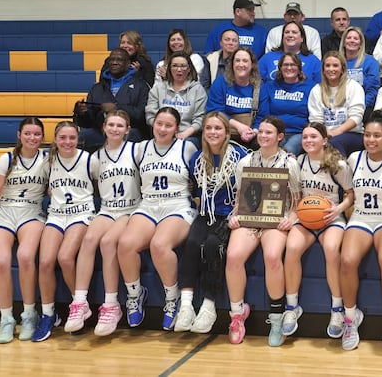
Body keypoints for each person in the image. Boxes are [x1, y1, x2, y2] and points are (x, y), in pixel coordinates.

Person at [117, 107, 198, 331]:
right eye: (159, 124)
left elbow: (200, 176)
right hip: (149, 205)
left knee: (159, 245)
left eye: (168, 125)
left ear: (177, 128)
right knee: (125, 244)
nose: (162, 129)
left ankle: (172, 299)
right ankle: (135, 295)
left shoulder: (187, 147)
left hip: (177, 205)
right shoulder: (140, 148)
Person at [225, 116, 301, 347]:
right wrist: (234, 216)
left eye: (269, 132)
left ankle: (277, 318)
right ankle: (237, 314)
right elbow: (240, 199)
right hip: (250, 218)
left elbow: (297, 201)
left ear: (280, 137)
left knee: (272, 256)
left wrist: (292, 219)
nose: (263, 136)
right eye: (261, 132)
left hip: (277, 218)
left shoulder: (290, 163)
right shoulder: (245, 161)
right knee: (233, 256)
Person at [63, 111, 141, 336]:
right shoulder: (95, 158)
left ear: (127, 130)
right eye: (111, 125)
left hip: (130, 209)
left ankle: (111, 305)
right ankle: (80, 302)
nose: (115, 129)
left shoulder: (136, 151)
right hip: (107, 209)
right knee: (88, 240)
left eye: (120, 125)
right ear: (104, 128)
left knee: (107, 242)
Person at [340, 109, 382, 351]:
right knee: (347, 261)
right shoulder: (354, 159)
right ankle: (350, 318)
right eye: (367, 135)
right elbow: (348, 191)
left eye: (377, 136)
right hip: (360, 217)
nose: (371, 140)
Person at [174, 112, 247, 333]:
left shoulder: (240, 155)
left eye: (218, 128)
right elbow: (196, 189)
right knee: (191, 244)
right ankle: (186, 306)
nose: (213, 132)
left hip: (230, 215)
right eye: (208, 128)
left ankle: (209, 306)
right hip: (206, 212)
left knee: (214, 246)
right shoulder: (197, 158)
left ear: (227, 132)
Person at [282, 123, 354, 340]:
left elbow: (351, 194)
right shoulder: (298, 162)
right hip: (305, 218)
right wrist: (293, 214)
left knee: (332, 250)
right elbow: (293, 193)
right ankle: (292, 307)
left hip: (331, 218)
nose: (308, 141)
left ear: (324, 140)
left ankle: (337, 309)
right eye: (305, 137)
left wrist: (338, 209)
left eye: (313, 136)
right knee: (291, 248)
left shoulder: (338, 165)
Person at [0, 117, 48, 343]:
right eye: (27, 133)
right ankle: (6, 319)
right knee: (1, 261)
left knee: (26, 256)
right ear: (19, 135)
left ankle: (29, 315)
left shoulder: (47, 160)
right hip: (5, 212)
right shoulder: (7, 159)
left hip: (31, 212)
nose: (32, 138)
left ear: (42, 137)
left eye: (36, 134)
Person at [33, 121, 96, 342]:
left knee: (65, 257)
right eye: (62, 138)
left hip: (81, 214)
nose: (67, 142)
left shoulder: (89, 159)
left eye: (72, 138)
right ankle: (48, 314)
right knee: (45, 262)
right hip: (56, 215)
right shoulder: (48, 161)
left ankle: (78, 307)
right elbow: (41, 186)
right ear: (55, 139)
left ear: (78, 139)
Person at [75, 48, 149, 151]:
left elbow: (141, 116)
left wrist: (117, 107)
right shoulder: (97, 88)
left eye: (119, 60)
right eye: (112, 59)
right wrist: (82, 113)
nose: (114, 62)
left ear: (128, 63)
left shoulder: (141, 86)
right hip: (101, 132)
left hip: (129, 132)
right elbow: (88, 122)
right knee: (84, 135)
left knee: (134, 134)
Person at [307, 51, 366, 157]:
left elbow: (356, 117)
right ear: (323, 69)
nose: (331, 69)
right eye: (327, 66)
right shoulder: (316, 90)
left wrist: (335, 132)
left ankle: (340, 167)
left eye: (335, 65)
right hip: (325, 134)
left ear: (342, 69)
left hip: (353, 134)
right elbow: (316, 120)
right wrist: (326, 132)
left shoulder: (353, 86)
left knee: (334, 143)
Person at [257, 53, 317, 155]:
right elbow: (264, 113)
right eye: (285, 65)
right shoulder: (269, 86)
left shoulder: (311, 87)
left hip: (299, 132)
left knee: (288, 150)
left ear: (299, 68)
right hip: (275, 132)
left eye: (293, 65)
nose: (289, 68)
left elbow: (313, 115)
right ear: (280, 68)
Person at [206, 48, 265, 149]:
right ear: (232, 64)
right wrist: (239, 127)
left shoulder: (260, 87)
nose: (241, 64)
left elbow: (262, 116)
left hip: (251, 133)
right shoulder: (220, 83)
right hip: (224, 131)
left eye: (245, 61)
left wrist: (254, 132)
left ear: (252, 65)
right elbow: (215, 111)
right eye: (237, 60)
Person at [145, 51, 208, 145]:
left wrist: (184, 134)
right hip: (161, 132)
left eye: (183, 66)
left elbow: (200, 118)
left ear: (189, 69)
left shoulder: (198, 90)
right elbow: (150, 115)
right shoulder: (158, 88)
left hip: (188, 136)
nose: (179, 69)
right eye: (175, 66)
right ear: (169, 68)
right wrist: (163, 130)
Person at [339, 26, 380, 120]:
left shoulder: (370, 62)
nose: (352, 40)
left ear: (361, 43)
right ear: (344, 42)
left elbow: (372, 90)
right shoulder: (336, 61)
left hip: (363, 106)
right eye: (349, 38)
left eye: (355, 38)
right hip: (339, 106)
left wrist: (359, 107)